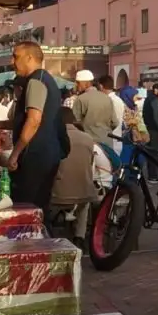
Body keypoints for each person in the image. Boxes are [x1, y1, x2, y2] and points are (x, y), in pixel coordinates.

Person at [0, 42, 70, 216]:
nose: (12, 61)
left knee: (27, 211)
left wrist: (15, 154)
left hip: (35, 156)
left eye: (15, 56)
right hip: (45, 155)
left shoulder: (36, 81)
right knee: (36, 209)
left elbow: (33, 121)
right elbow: (25, 120)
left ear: (29, 58)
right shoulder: (44, 80)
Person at [52, 107, 99, 249]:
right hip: (84, 193)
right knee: (83, 206)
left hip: (58, 195)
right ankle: (80, 236)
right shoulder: (88, 138)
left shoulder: (53, 137)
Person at [71, 70, 119, 144]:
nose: (76, 85)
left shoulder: (81, 99)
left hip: (89, 143)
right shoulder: (107, 98)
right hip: (107, 142)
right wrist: (104, 132)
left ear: (86, 83)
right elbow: (115, 123)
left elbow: (74, 122)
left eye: (78, 82)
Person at [98, 75, 127, 157]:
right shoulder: (119, 100)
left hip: (108, 141)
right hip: (117, 139)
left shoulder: (106, 101)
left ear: (101, 86)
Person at [142, 83, 158, 155]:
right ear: (155, 90)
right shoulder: (154, 100)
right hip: (154, 131)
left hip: (149, 129)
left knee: (149, 153)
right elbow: (157, 117)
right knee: (156, 154)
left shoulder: (148, 98)